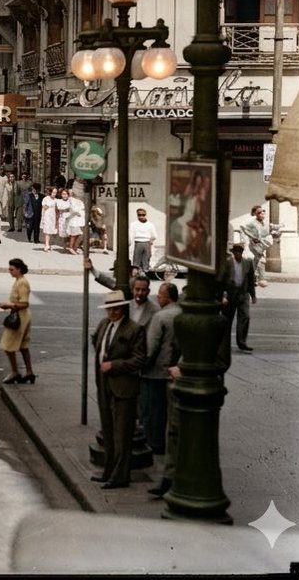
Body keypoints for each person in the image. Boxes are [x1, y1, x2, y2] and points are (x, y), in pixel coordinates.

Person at [90, 290, 147, 489]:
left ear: (123, 308)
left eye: (116, 308)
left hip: (123, 389)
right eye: (109, 309)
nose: (112, 312)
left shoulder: (134, 329)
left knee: (122, 433)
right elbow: (96, 341)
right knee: (108, 430)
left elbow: (139, 359)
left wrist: (113, 365)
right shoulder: (104, 324)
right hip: (104, 385)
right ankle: (109, 471)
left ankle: (120, 476)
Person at [141, 282, 179, 456]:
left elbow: (151, 347)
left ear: (167, 297)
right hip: (173, 371)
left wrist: (141, 366)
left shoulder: (160, 317)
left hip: (156, 372)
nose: (157, 297)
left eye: (160, 295)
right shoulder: (183, 314)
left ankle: (154, 443)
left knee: (152, 411)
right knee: (166, 411)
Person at [0, 258, 35, 384]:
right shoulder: (19, 281)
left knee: (8, 345)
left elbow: (24, 303)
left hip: (20, 317)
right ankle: (29, 372)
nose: (9, 271)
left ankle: (14, 371)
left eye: (12, 269)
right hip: (21, 315)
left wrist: (8, 306)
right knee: (23, 346)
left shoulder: (22, 283)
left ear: (19, 269)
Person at [217, 243, 257, 357]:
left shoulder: (247, 263)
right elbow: (221, 281)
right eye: (236, 251)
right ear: (233, 252)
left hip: (243, 294)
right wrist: (222, 296)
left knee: (245, 316)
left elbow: (251, 280)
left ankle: (242, 342)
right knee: (227, 319)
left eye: (240, 251)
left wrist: (253, 295)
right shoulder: (227, 263)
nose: (238, 253)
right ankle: (225, 343)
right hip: (230, 294)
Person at [239, 204, 276, 288]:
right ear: (254, 214)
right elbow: (244, 230)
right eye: (259, 212)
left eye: (263, 211)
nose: (262, 213)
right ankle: (255, 279)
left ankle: (258, 279)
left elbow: (267, 233)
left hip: (261, 245)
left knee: (260, 260)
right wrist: (250, 239)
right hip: (253, 246)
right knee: (254, 260)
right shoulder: (251, 223)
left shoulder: (265, 223)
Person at [129, 208, 158, 273]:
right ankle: (136, 276)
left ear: (146, 215)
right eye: (139, 215)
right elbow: (130, 235)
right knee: (136, 264)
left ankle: (144, 275)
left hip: (147, 243)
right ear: (137, 215)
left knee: (145, 262)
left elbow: (154, 235)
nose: (141, 216)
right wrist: (131, 244)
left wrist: (151, 240)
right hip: (137, 243)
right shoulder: (133, 224)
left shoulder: (150, 225)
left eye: (143, 215)